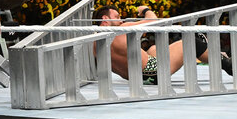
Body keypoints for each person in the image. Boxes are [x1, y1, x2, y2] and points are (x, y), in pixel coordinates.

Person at [93, 5, 228, 84]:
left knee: (153, 48)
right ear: (105, 19)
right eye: (117, 17)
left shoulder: (94, 43)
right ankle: (228, 64)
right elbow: (154, 20)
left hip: (136, 79)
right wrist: (145, 10)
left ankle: (216, 53)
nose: (121, 20)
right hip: (154, 72)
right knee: (191, 43)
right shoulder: (122, 30)